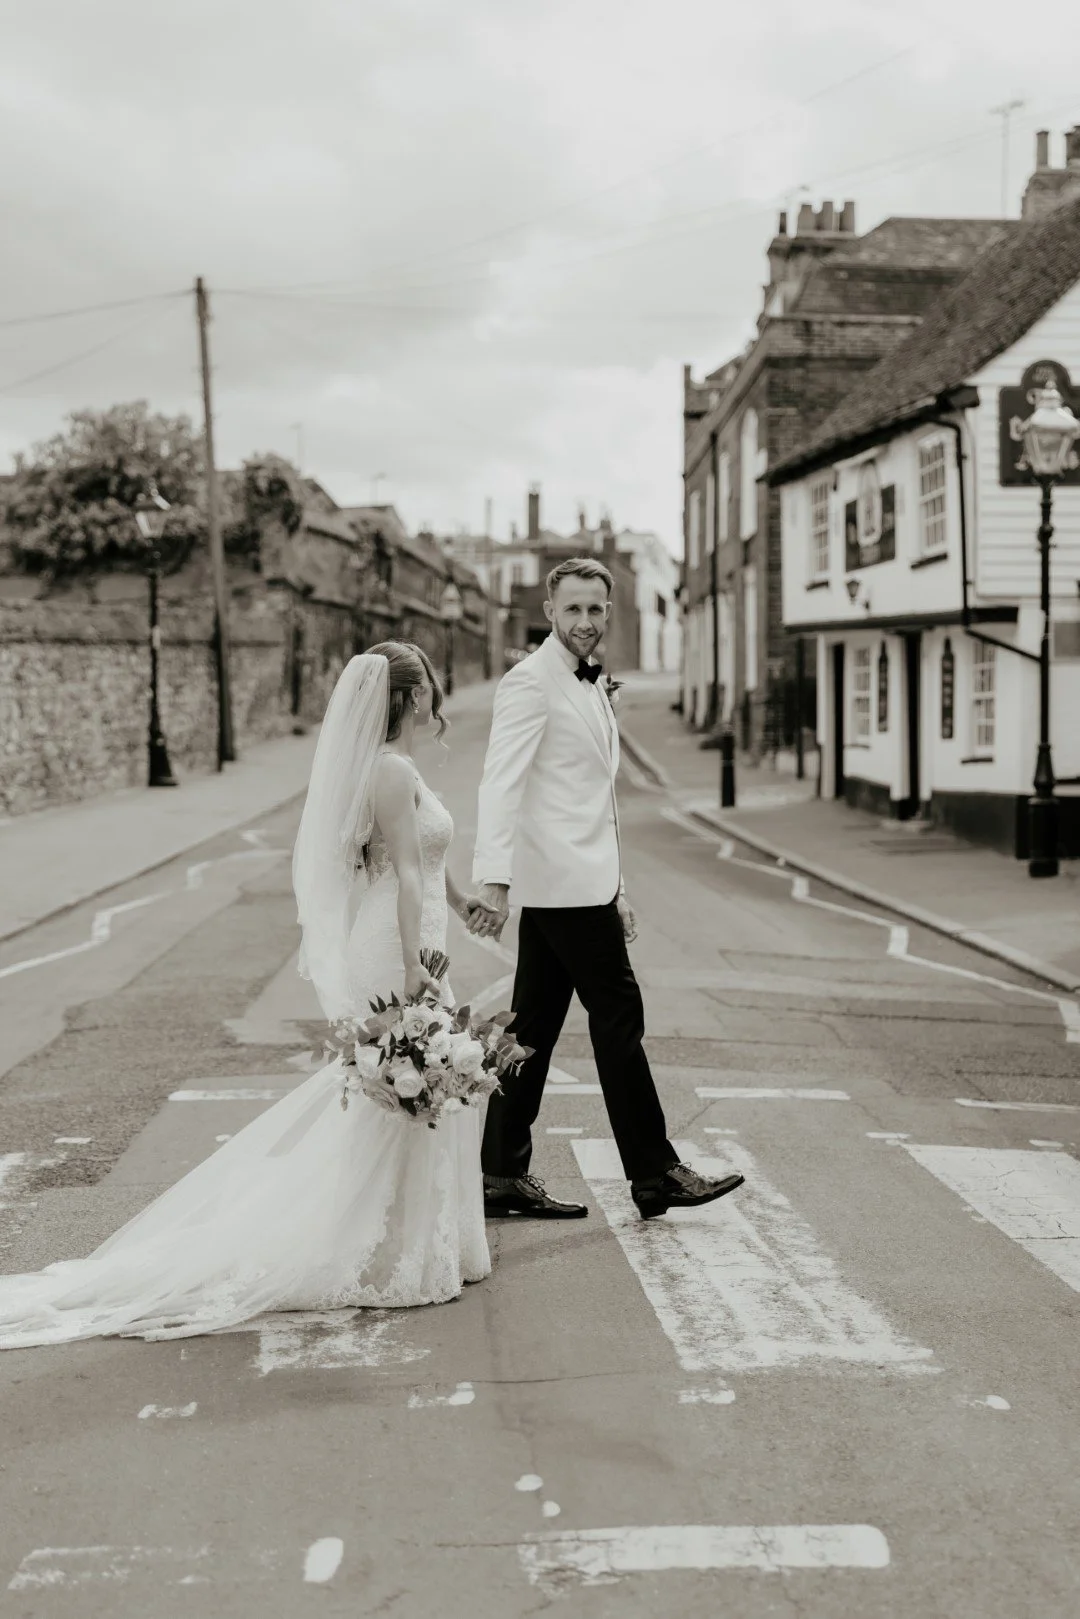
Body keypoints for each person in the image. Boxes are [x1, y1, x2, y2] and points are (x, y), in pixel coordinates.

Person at [0, 643, 496, 1349]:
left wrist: (461, 897)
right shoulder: (392, 769)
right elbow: (406, 875)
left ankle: (418, 1240)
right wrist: (417, 966)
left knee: (416, 1092)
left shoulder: (391, 769)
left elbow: (421, 860)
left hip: (410, 936)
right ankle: (393, 1250)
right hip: (396, 946)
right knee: (404, 1091)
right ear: (417, 697)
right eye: (431, 687)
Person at [469, 556, 745, 1221]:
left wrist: (616, 884)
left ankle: (501, 1171)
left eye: (597, 608)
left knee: (529, 1027)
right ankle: (653, 1171)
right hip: (560, 885)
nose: (587, 621)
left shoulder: (587, 682)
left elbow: (594, 799)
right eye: (574, 609)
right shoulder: (530, 682)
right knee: (619, 1017)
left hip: (582, 881)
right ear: (549, 610)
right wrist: (494, 879)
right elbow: (500, 782)